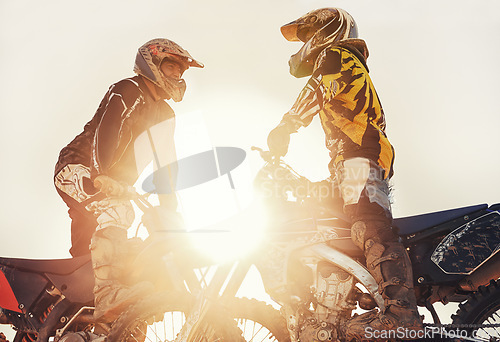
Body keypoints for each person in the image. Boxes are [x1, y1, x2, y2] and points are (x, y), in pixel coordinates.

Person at [267, 8, 423, 340]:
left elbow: (318, 89)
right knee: (318, 220)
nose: (306, 44)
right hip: (348, 164)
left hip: (359, 159)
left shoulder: (336, 56)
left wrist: (287, 125)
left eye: (309, 35)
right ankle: (336, 304)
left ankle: (401, 312)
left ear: (326, 32)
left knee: (369, 226)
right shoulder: (345, 61)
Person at [54, 38, 203, 321]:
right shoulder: (128, 89)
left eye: (181, 72)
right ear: (152, 63)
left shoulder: (166, 114)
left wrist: (169, 207)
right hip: (78, 167)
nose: (177, 76)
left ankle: (84, 314)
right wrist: (100, 175)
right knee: (119, 211)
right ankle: (108, 293)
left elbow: (167, 162)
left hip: (115, 185)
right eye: (171, 67)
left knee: (104, 253)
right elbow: (107, 131)